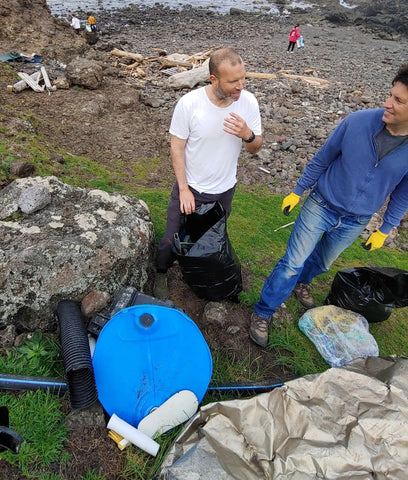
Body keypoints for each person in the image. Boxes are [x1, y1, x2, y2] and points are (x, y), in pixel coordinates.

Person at [249, 63, 408, 347]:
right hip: (321, 204)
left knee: (322, 262)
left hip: (357, 220)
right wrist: (298, 191)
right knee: (292, 262)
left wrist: (385, 228)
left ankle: (303, 283)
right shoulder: (357, 121)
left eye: (398, 100)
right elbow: (323, 157)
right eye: (390, 95)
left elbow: (403, 194)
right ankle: (263, 312)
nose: (388, 103)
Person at [153, 47, 263, 299]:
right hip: (191, 189)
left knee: (209, 242)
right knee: (171, 239)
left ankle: (200, 276)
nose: (240, 86)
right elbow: (176, 147)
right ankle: (161, 273)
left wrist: (248, 134)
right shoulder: (190, 104)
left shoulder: (248, 102)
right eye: (233, 81)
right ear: (213, 79)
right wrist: (183, 189)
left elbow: (256, 148)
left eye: (243, 78)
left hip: (224, 192)